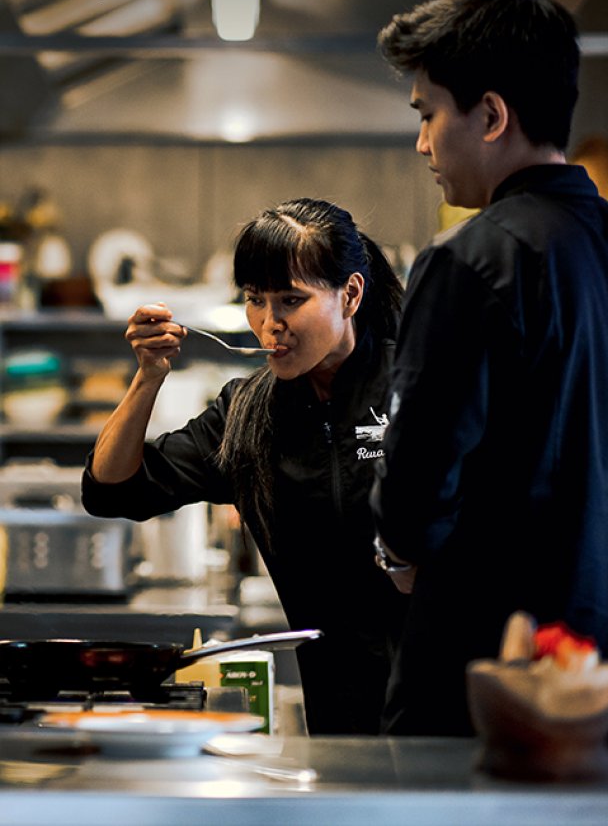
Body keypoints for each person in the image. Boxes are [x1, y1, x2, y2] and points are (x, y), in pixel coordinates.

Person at [371, 0, 608, 736]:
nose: (423, 144)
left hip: (488, 685)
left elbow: (416, 483)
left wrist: (397, 549)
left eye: (427, 113)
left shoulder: (468, 261)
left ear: (491, 116)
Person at [83, 197, 406, 735]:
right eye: (255, 300)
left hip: (447, 700)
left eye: (290, 300)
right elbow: (112, 489)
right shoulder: (248, 414)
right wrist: (148, 376)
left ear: (350, 294)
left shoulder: (417, 384)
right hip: (339, 716)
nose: (269, 324)